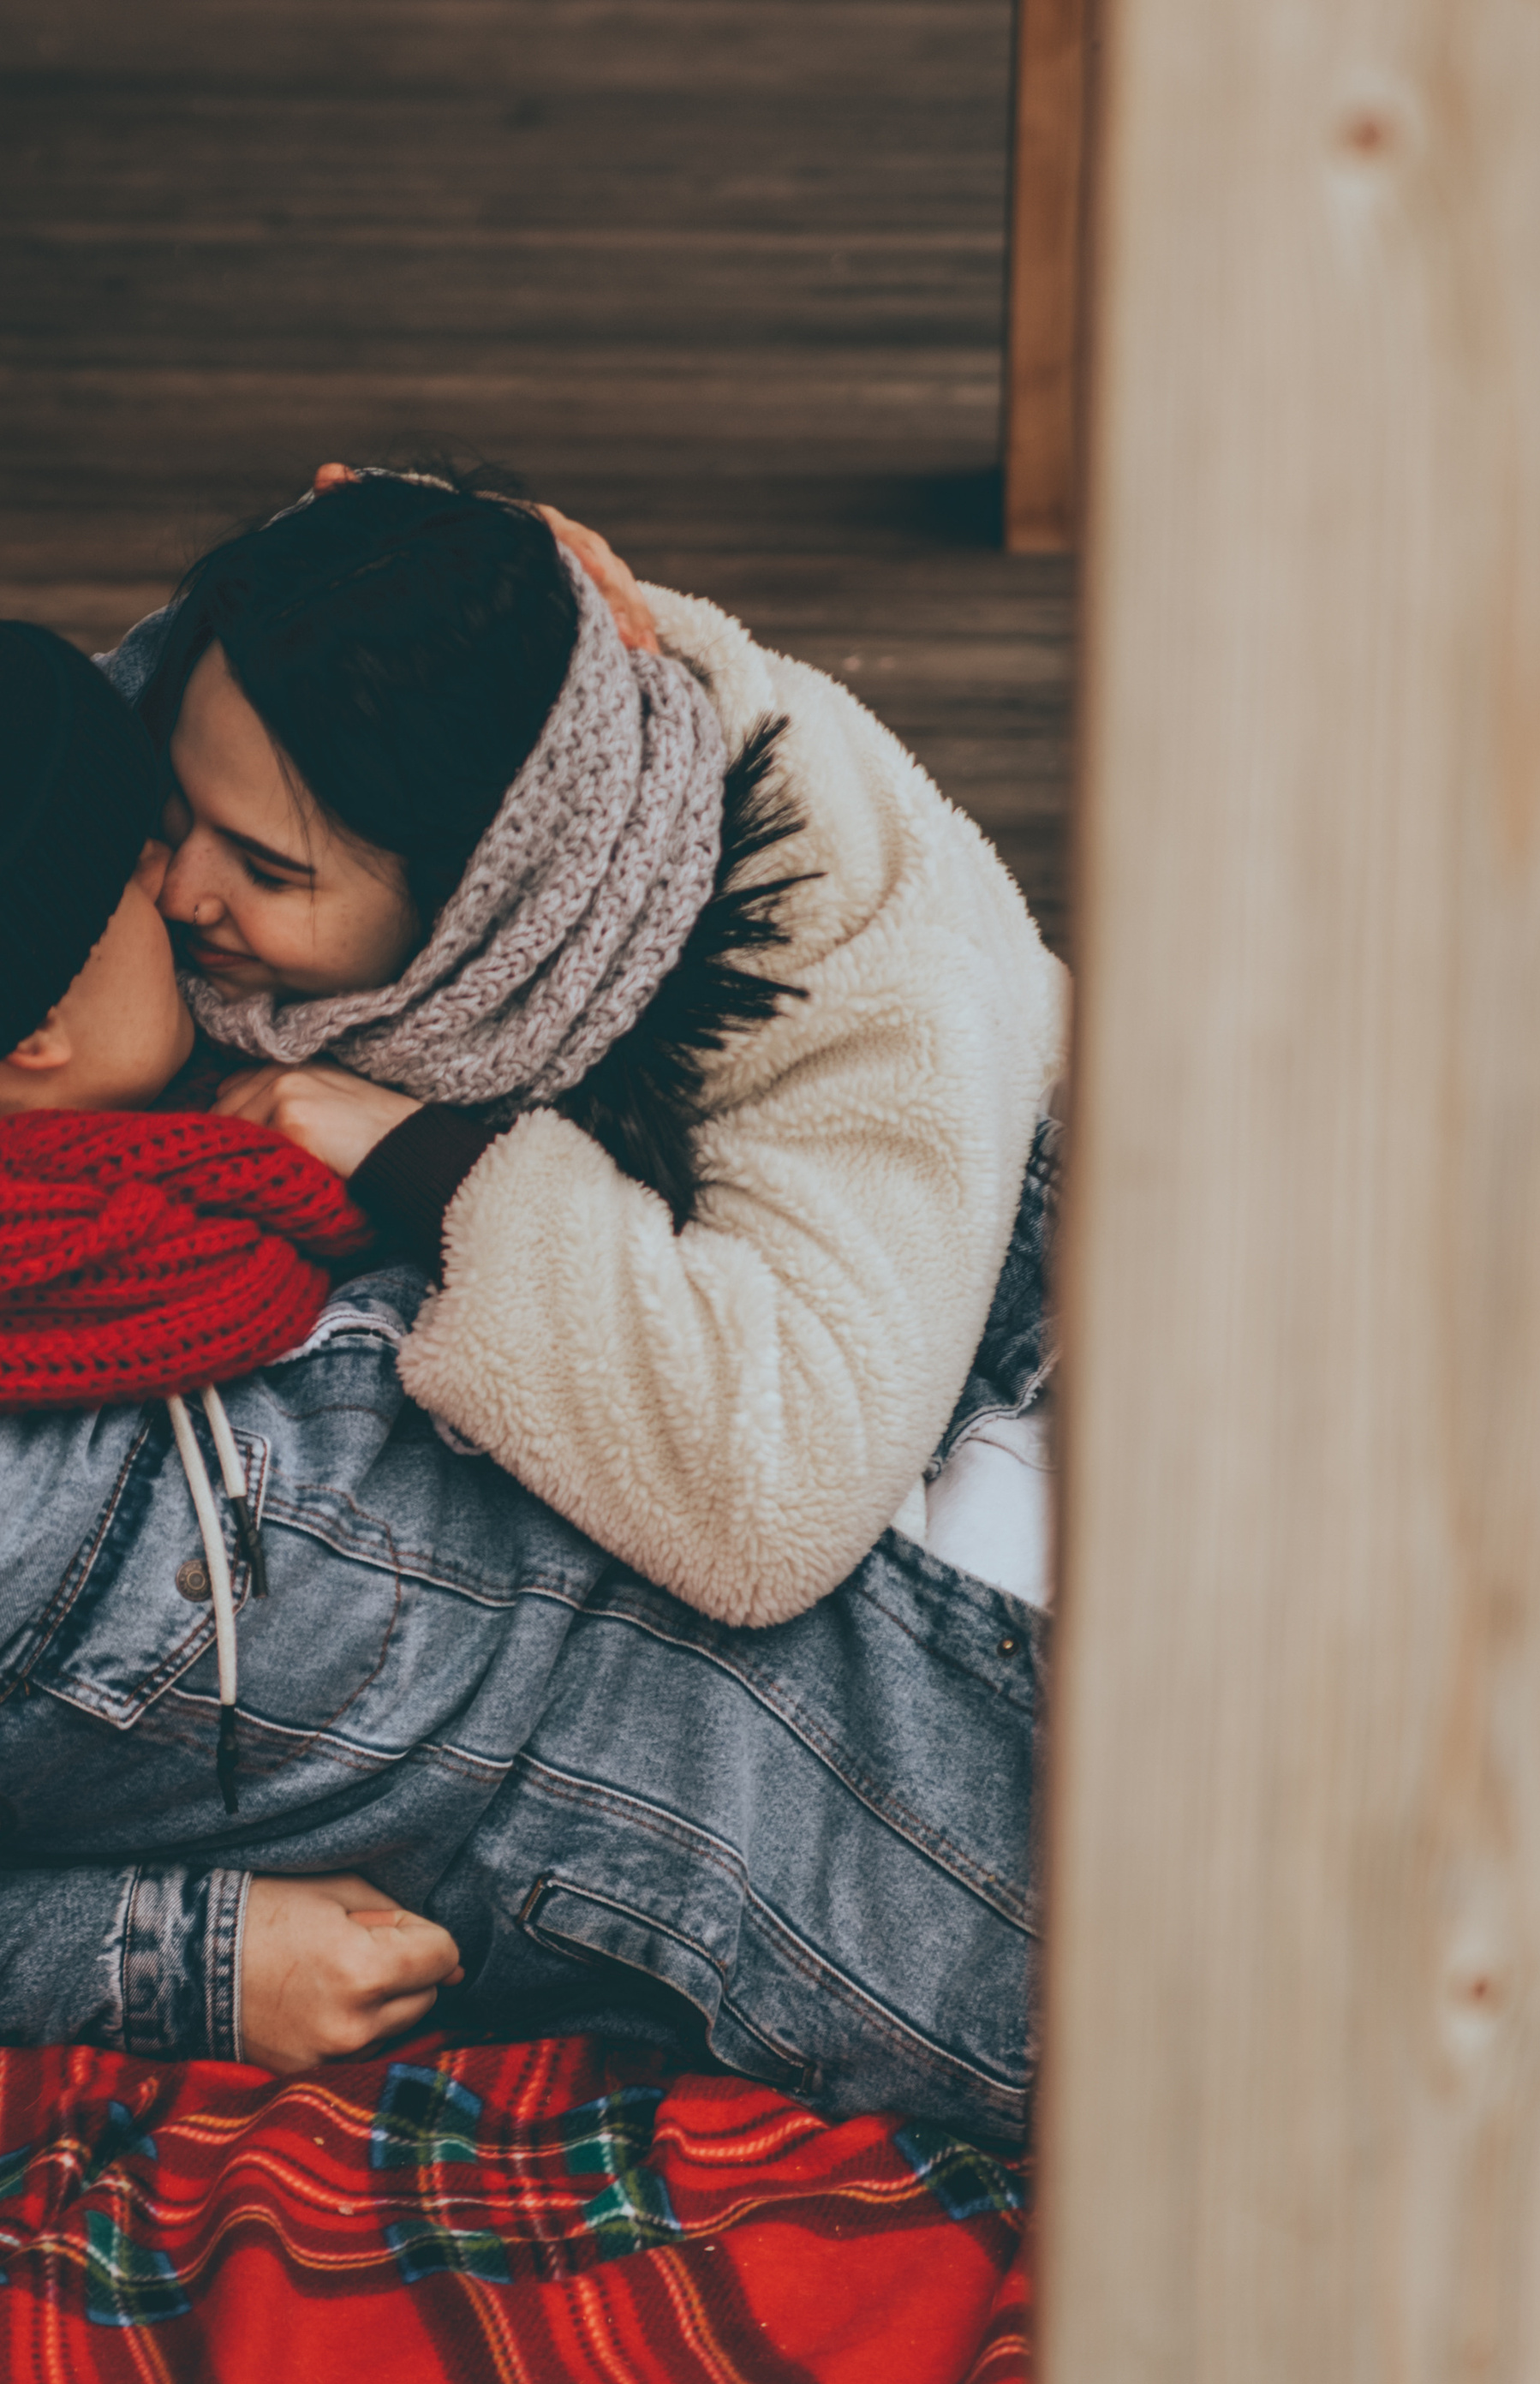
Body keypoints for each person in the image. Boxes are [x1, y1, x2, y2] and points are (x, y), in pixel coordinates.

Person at [0, 608, 1040, 2144]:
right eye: (143, 861)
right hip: (858, 1783)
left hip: (902, 1372)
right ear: (35, 1033)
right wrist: (170, 1958)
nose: (193, 882)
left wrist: (597, 616)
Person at [98, 466, 1068, 1632]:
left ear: (486, 898)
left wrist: (422, 1159)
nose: (179, 888)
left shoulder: (854, 959)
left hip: (1027, 1319)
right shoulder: (382, 684)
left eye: (265, 872)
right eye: (169, 815)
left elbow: (772, 1504)